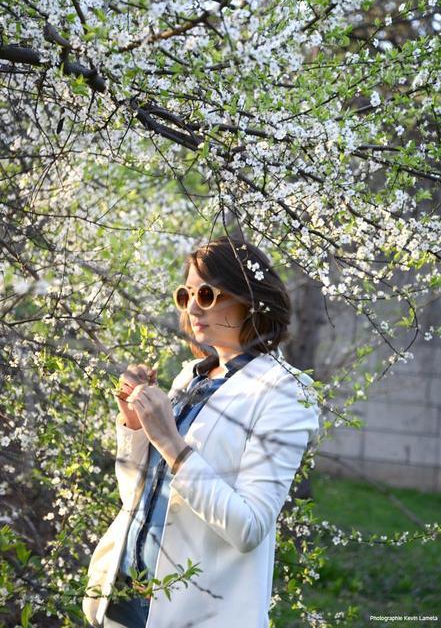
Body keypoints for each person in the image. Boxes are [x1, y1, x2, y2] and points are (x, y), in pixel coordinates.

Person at [82, 235, 320, 628]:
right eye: (186, 294)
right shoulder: (188, 377)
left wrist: (172, 444)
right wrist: (135, 423)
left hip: (197, 612)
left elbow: (249, 527)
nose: (193, 307)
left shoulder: (285, 394)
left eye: (208, 294)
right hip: (123, 599)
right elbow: (134, 497)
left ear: (250, 300)